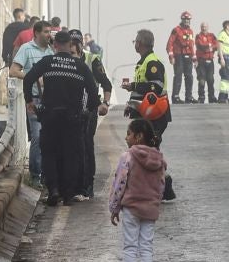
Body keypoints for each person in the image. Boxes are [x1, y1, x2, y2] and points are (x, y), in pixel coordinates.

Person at [21, 29, 97, 207]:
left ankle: (53, 190)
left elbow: (28, 79)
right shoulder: (80, 66)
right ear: (70, 45)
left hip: (50, 116)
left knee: (50, 153)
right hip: (73, 118)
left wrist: (29, 101)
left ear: (55, 45)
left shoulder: (48, 61)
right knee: (71, 155)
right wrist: (87, 112)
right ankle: (68, 194)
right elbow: (93, 92)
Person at [107, 117, 167, 262]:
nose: (126, 137)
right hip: (150, 209)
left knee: (130, 248)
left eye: (128, 133)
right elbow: (161, 186)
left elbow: (119, 184)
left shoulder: (128, 157)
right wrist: (154, 203)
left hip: (131, 209)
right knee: (147, 248)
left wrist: (114, 207)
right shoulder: (159, 159)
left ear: (138, 136)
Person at [121, 28, 175, 201]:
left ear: (141, 43)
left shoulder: (152, 63)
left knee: (149, 151)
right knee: (145, 152)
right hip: (145, 114)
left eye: (135, 41)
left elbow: (155, 87)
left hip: (156, 116)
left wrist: (134, 86)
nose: (134, 44)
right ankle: (157, 187)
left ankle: (163, 186)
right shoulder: (142, 62)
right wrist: (131, 105)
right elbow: (141, 94)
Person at [10, 20, 56, 187]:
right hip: (35, 99)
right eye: (45, 31)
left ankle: (49, 174)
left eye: (50, 31)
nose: (48, 35)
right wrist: (33, 77)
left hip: (52, 100)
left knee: (52, 138)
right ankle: (35, 175)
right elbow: (13, 70)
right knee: (37, 136)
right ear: (36, 33)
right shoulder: (26, 49)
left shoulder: (52, 50)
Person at [74, 30, 114, 194]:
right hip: (70, 111)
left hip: (89, 110)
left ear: (80, 45)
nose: (72, 48)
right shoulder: (63, 59)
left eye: (75, 44)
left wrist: (104, 103)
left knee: (86, 145)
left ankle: (87, 185)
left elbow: (106, 84)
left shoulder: (92, 59)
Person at [167, 12, 196, 104]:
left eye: (188, 20)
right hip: (179, 56)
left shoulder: (190, 31)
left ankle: (189, 97)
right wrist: (171, 56)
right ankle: (175, 97)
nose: (187, 21)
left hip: (188, 56)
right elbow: (169, 44)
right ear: (182, 20)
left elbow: (191, 45)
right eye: (185, 19)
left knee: (189, 76)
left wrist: (194, 58)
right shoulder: (176, 30)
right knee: (178, 76)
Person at [194, 21, 220, 104]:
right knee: (202, 80)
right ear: (200, 28)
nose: (204, 28)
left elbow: (217, 45)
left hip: (210, 61)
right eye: (202, 26)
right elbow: (201, 45)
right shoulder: (198, 36)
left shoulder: (212, 35)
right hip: (201, 61)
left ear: (208, 27)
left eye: (205, 26)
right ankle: (201, 97)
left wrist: (210, 46)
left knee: (210, 80)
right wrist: (210, 45)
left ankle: (211, 97)